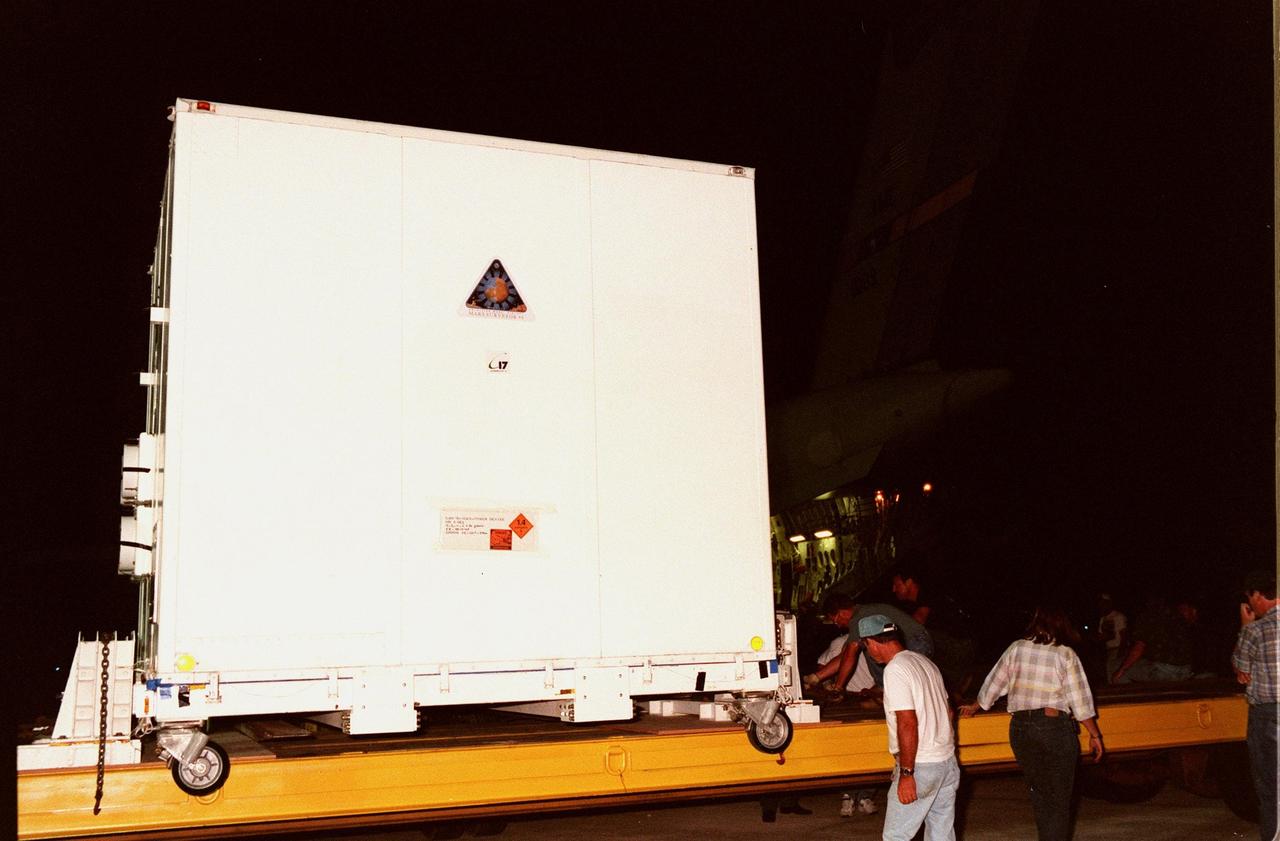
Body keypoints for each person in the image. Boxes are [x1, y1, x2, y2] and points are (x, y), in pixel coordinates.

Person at [960, 606, 1104, 841]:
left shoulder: (1016, 648)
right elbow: (1080, 700)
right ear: (1061, 625)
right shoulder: (1064, 654)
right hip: (1052, 728)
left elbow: (995, 682)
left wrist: (977, 706)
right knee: (1058, 800)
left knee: (1040, 795)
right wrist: (1095, 734)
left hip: (1020, 729)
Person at [860, 613, 960, 840]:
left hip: (921, 765)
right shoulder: (925, 663)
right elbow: (949, 711)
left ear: (872, 642)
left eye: (866, 646)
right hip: (946, 762)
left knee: (896, 836)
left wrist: (907, 772)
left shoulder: (895, 669)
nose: (869, 652)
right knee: (941, 834)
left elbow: (907, 721)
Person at [1231, 569, 1278, 841]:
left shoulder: (1256, 630)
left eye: (1250, 598)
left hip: (1269, 714)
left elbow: (1240, 668)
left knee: (1270, 786)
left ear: (1258, 595)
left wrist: (1244, 625)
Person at [805, 593, 933, 691]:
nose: (837, 625)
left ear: (842, 613)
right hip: (917, 640)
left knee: (911, 682)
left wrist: (838, 688)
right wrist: (816, 677)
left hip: (917, 641)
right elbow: (844, 656)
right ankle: (883, 688)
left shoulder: (859, 619)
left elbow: (850, 655)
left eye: (836, 620)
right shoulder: (861, 614)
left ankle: (883, 688)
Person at [1112, 594, 1193, 683]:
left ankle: (1128, 696)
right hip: (1186, 670)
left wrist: (1122, 669)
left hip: (1164, 671)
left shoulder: (1148, 617)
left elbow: (1139, 648)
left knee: (1115, 667)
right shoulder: (1177, 616)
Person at [1092, 593, 1128, 683]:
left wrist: (1121, 650)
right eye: (1100, 603)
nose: (1101, 606)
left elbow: (1124, 635)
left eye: (1103, 603)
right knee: (1108, 673)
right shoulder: (1103, 619)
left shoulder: (1118, 616)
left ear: (1109, 603)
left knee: (1116, 675)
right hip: (1108, 650)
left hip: (1118, 649)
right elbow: (1101, 636)